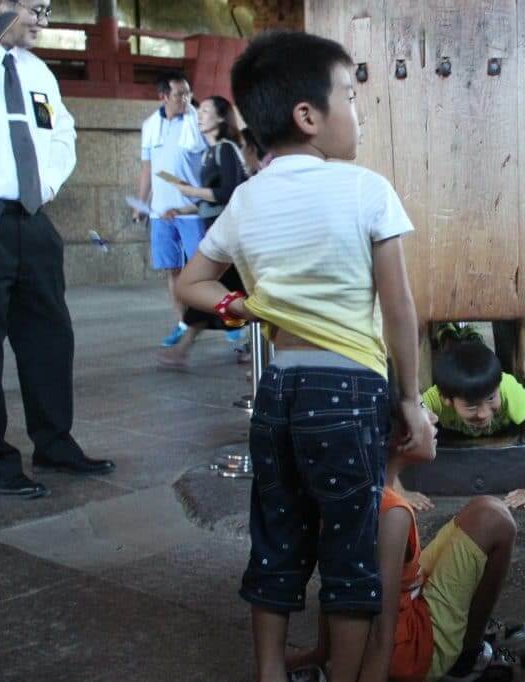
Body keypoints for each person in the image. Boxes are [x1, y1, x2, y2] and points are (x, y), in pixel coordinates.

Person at [175, 31, 433, 682]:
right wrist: (409, 398)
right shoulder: (367, 190)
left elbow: (191, 285)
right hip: (348, 395)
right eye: (350, 95)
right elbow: (399, 308)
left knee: (278, 532)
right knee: (348, 544)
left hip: (280, 394)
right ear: (308, 115)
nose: (359, 113)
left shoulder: (248, 198)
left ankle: (269, 673)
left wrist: (245, 308)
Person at [286, 399, 525, 682]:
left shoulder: (348, 493)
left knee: (481, 510)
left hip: (381, 631)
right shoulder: (392, 514)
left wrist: (324, 652)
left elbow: (337, 589)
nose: (434, 418)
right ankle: (466, 660)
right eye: (422, 407)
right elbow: (381, 631)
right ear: (400, 436)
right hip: (411, 652)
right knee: (495, 518)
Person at [0, 0, 115, 500]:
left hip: (32, 218)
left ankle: (54, 442)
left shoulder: (37, 70)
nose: (44, 22)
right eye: (34, 9)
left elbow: (62, 132)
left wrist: (45, 187)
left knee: (49, 335)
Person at [417, 336, 525, 510]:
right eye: (471, 406)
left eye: (491, 398)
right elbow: (396, 432)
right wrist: (397, 489)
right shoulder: (434, 399)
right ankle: (448, 335)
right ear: (447, 400)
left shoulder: (507, 388)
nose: (484, 413)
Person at [157, 95, 249, 369]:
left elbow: (229, 192)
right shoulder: (209, 153)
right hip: (216, 232)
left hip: (230, 236)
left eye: (206, 111)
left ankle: (184, 350)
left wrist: (189, 191)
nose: (199, 115)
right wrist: (182, 209)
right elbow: (207, 201)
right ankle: (186, 350)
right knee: (218, 292)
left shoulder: (227, 149)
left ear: (221, 117)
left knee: (211, 290)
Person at [134, 71, 208, 348]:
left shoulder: (197, 119)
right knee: (172, 270)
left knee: (206, 269)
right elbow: (147, 169)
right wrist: (142, 204)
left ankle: (231, 329)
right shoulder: (150, 125)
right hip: (161, 212)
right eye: (180, 94)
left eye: (188, 92)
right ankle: (182, 322)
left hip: (191, 211)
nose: (186, 99)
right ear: (163, 96)